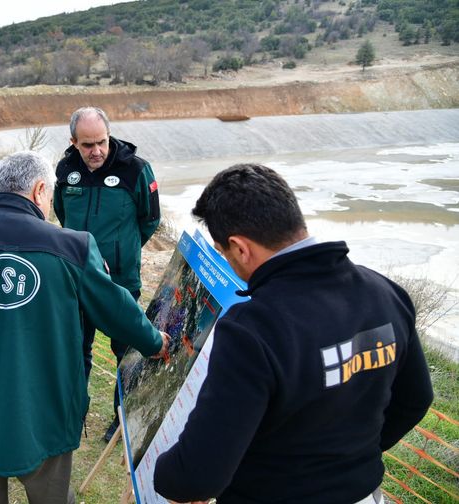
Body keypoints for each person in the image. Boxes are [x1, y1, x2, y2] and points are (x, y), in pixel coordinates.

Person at [153, 164, 434, 504]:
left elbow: (194, 477)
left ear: (240, 248)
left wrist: (161, 470)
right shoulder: (385, 292)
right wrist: (348, 459)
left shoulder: (253, 329)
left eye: (224, 253)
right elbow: (415, 398)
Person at [0, 150, 170, 504]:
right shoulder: (73, 245)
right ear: (40, 190)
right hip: (45, 404)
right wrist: (155, 342)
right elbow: (117, 309)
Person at [53, 106, 161, 442]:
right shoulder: (66, 169)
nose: (96, 151)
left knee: (126, 353)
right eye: (87, 145)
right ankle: (72, 415)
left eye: (101, 142)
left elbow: (149, 219)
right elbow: (61, 213)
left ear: (109, 135)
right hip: (75, 282)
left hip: (120, 283)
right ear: (73, 142)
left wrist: (122, 253)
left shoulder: (136, 170)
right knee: (74, 351)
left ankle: (121, 420)